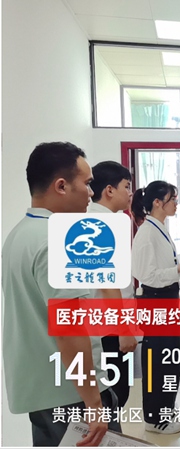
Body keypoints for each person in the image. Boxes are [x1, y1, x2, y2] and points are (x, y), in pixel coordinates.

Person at [2, 142, 120, 446]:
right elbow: (70, 331)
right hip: (72, 396)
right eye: (87, 183)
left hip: (42, 393)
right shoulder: (57, 241)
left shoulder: (19, 235)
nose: (91, 193)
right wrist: (94, 404)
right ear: (62, 186)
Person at [131, 181, 180, 435]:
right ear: (157, 203)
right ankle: (154, 418)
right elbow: (147, 276)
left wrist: (179, 264)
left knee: (170, 359)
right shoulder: (147, 233)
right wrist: (178, 269)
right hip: (156, 301)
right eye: (172, 199)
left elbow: (162, 265)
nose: (176, 203)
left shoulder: (160, 228)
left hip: (167, 299)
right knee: (157, 363)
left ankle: (165, 410)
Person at [88, 161, 138, 409]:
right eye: (126, 186)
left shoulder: (93, 218)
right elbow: (109, 282)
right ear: (109, 190)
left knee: (111, 394)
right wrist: (124, 329)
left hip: (101, 324)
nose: (130, 193)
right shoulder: (105, 224)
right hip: (109, 329)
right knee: (115, 395)